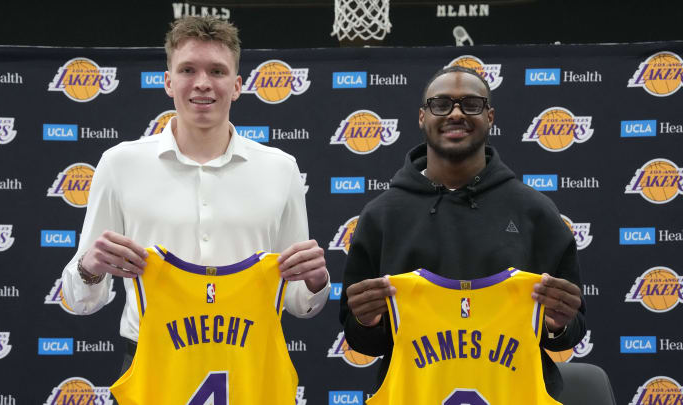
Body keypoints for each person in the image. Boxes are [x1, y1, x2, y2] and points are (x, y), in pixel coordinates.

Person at [61, 15, 330, 378]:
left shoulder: (281, 169)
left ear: (236, 85)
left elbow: (300, 303)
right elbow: (81, 302)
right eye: (188, 69)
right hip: (152, 364)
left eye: (217, 71)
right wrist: (89, 268)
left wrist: (316, 282)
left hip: (250, 364)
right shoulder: (120, 164)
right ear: (169, 82)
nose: (202, 83)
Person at [340, 65, 586, 399]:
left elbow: (570, 328)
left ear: (491, 116)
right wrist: (367, 323)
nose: (456, 113)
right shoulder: (382, 216)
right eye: (441, 104)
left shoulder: (535, 212)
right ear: (422, 117)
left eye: (471, 104)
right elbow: (361, 341)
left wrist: (558, 325)